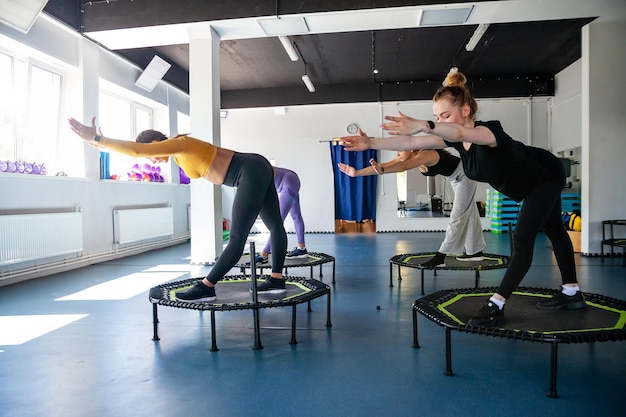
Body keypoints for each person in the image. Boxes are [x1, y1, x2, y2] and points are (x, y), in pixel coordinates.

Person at [340, 68, 585, 326]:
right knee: (555, 231)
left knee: (523, 240)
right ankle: (571, 292)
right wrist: (371, 144)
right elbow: (407, 145)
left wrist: (424, 124)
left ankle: (497, 303)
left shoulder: (489, 132)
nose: (441, 121)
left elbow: (460, 133)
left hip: (545, 174)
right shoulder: (455, 142)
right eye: (437, 116)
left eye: (445, 115)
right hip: (530, 184)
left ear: (466, 111)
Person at [68, 117, 288, 302]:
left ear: (155, 142)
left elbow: (137, 151)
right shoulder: (179, 155)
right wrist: (100, 145)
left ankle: (207, 286)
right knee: (276, 226)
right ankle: (277, 279)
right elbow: (140, 151)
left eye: (151, 154)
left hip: (249, 171)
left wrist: (99, 139)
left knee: (237, 238)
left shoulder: (181, 143)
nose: (152, 162)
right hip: (256, 167)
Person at [337, 147, 485, 267]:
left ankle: (441, 257)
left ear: (411, 148)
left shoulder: (426, 154)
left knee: (457, 217)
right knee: (470, 212)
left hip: (465, 177)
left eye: (400, 150)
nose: (398, 153)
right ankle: (475, 251)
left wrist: (382, 170)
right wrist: (356, 173)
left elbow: (401, 167)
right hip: (456, 179)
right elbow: (384, 166)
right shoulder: (410, 156)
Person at [254, 167, 308, 265]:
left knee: (277, 222)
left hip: (289, 183)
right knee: (296, 215)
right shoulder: (254, 172)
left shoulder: (255, 172)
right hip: (292, 180)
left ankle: (264, 255)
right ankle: (302, 248)